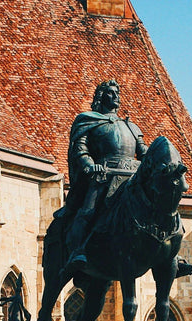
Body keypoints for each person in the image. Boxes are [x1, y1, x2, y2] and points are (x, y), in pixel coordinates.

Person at [61, 79, 149, 276]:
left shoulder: (132, 127)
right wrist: (91, 166)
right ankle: (77, 251)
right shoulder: (88, 121)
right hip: (103, 176)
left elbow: (144, 154)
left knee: (156, 205)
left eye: (117, 92)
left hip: (131, 178)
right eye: (110, 92)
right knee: (88, 211)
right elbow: (80, 150)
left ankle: (171, 256)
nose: (115, 95)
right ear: (101, 97)